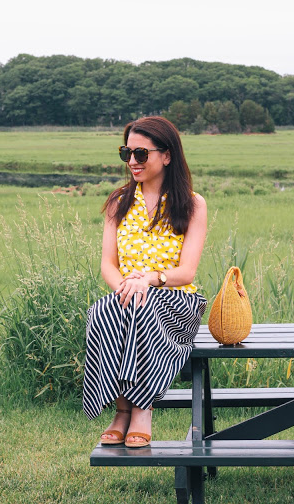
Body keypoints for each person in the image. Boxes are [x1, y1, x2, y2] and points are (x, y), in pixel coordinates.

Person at [83, 116, 207, 448]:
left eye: (141, 154)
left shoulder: (192, 204)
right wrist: (125, 286)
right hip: (129, 296)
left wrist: (151, 279)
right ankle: (121, 407)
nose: (133, 162)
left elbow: (187, 272)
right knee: (102, 310)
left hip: (176, 301)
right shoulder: (118, 202)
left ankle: (140, 409)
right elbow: (108, 264)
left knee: (142, 305)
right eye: (127, 154)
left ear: (166, 155)